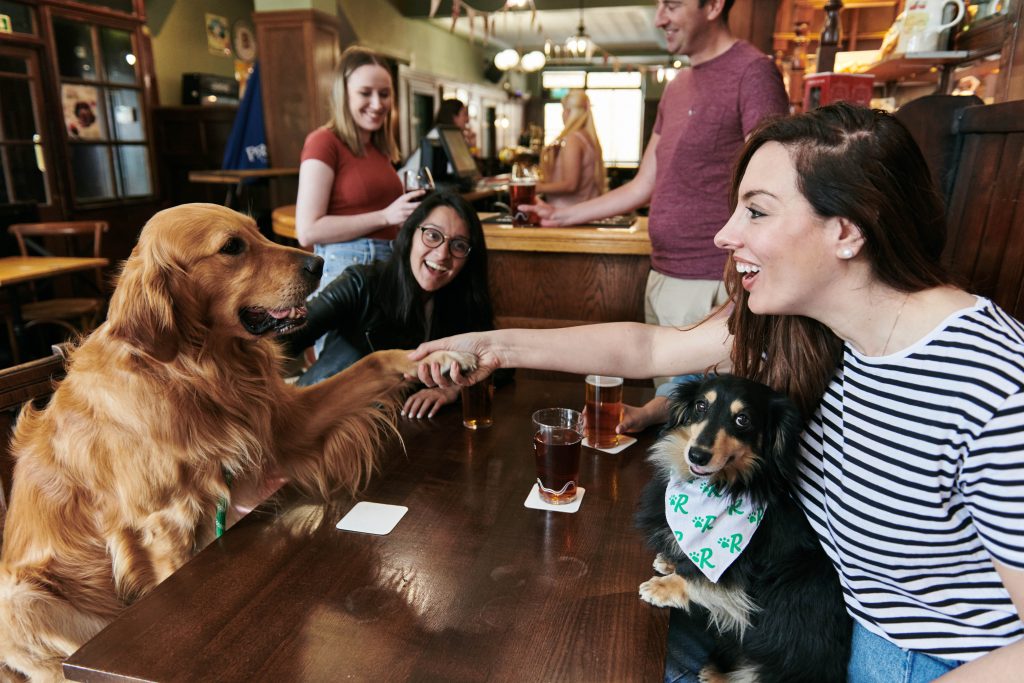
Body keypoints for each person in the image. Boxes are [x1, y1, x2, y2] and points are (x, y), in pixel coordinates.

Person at [413, 103, 1024, 682]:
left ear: (846, 231)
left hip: (925, 662)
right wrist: (494, 348)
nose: (724, 235)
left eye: (756, 212)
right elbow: (649, 350)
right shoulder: (814, 320)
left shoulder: (990, 380)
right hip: (814, 623)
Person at [524, 0, 787, 384]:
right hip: (662, 275)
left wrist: (742, 290)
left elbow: (775, 189)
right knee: (672, 420)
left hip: (712, 282)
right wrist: (559, 216)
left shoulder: (753, 72)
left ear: (713, 6)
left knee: (698, 432)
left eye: (672, 5)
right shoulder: (677, 86)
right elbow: (643, 184)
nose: (659, 17)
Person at [283, 191, 496, 419]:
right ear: (410, 234)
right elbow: (283, 343)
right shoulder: (362, 283)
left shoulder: (462, 301)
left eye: (459, 245)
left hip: (397, 431)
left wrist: (453, 389)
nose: (443, 254)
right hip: (320, 420)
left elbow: (498, 362)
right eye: (433, 236)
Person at [295, 45, 422, 354]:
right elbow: (308, 230)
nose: (378, 104)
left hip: (387, 268)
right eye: (366, 93)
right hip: (347, 271)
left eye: (385, 93)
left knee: (381, 378)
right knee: (345, 378)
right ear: (344, 94)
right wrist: (385, 216)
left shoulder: (379, 148)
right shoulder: (324, 142)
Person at [536, 89, 606, 208]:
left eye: (563, 110)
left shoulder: (573, 139)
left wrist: (537, 187)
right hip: (585, 211)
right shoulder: (589, 139)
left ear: (568, 112)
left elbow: (571, 185)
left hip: (568, 214)